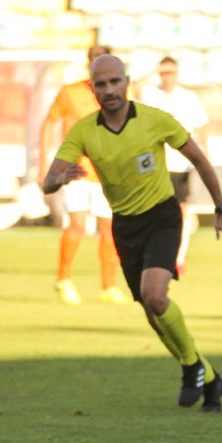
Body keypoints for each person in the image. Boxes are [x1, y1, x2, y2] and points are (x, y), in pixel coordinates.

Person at [41, 55, 222, 413]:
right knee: (152, 312)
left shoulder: (154, 119)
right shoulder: (83, 131)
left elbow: (199, 159)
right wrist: (57, 180)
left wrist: (221, 210)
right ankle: (208, 377)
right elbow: (48, 182)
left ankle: (191, 367)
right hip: (125, 225)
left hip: (162, 217)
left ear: (126, 82)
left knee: (155, 296)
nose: (109, 90)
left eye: (115, 81)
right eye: (101, 84)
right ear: (93, 89)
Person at [38, 44, 127, 305]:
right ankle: (64, 280)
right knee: (77, 225)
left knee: (109, 230)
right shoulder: (71, 93)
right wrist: (45, 163)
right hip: (75, 170)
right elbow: (49, 123)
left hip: (108, 172)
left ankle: (108, 287)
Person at [133, 56, 210, 276]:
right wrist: (154, 69)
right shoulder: (151, 93)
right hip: (155, 160)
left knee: (182, 209)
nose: (167, 77)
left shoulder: (188, 97)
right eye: (164, 73)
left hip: (180, 162)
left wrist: (205, 153)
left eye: (171, 72)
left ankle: (178, 257)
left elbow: (201, 126)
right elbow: (134, 88)